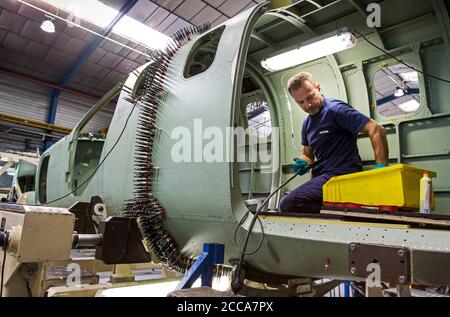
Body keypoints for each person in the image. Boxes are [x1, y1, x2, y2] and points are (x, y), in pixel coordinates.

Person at [279, 72, 389, 213]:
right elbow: (308, 155)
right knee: (287, 203)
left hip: (343, 176)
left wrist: (381, 168)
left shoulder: (335, 110)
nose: (308, 105)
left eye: (310, 97)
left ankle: (337, 208)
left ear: (317, 88)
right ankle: (334, 208)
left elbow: (376, 129)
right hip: (324, 178)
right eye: (301, 102)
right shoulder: (307, 124)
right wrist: (303, 162)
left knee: (289, 204)